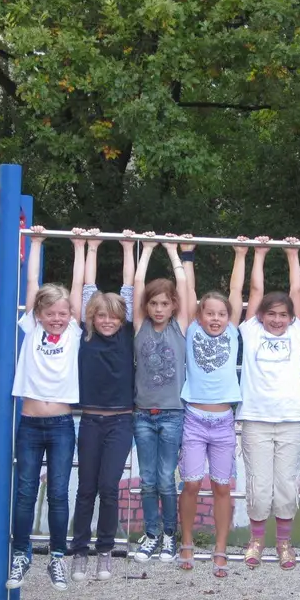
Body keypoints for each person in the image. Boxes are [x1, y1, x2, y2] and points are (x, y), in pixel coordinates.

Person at [7, 226, 89, 592]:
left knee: (57, 492)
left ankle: (57, 556)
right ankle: (21, 554)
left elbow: (77, 287)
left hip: (60, 424)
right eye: (50, 312)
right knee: (25, 492)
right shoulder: (31, 327)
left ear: (70, 315)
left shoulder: (73, 332)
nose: (57, 318)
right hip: (29, 422)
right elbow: (32, 282)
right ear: (38, 313)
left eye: (62, 313)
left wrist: (79, 247)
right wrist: (36, 242)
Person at [69, 234, 137, 583]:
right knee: (86, 488)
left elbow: (129, 288)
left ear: (122, 319)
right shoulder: (86, 334)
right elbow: (85, 288)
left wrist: (128, 247)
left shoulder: (127, 334)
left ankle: (105, 550)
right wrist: (88, 247)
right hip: (91, 421)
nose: (107, 321)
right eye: (101, 317)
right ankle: (80, 551)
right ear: (91, 318)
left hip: (121, 422)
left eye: (113, 317)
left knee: (109, 488)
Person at [236, 241, 300, 571]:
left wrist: (293, 256)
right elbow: (255, 290)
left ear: (291, 318)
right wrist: (259, 254)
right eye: (271, 314)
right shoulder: (251, 332)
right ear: (261, 315)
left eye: (283, 315)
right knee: (260, 486)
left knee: (286, 487)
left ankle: (284, 543)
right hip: (256, 418)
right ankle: (256, 541)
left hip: (290, 419)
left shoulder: (296, 333)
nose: (277, 320)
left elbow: (297, 290)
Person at [178, 241, 248, 577]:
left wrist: (241, 254)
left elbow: (236, 290)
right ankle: (187, 542)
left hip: (223, 421)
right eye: (210, 313)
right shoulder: (191, 329)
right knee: (191, 484)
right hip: (194, 418)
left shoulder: (233, 331)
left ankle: (220, 547)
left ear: (228, 317)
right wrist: (187, 255)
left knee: (222, 487)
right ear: (199, 315)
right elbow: (188, 291)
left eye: (221, 313)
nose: (216, 318)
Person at [129, 235, 191, 564]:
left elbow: (183, 285)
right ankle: (151, 534)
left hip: (172, 414)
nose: (158, 309)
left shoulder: (179, 328)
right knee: (148, 480)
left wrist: (171, 251)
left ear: (173, 306)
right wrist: (148, 249)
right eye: (153, 304)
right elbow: (138, 284)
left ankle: (169, 535)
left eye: (164, 304)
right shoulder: (140, 327)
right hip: (143, 414)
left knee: (167, 478)